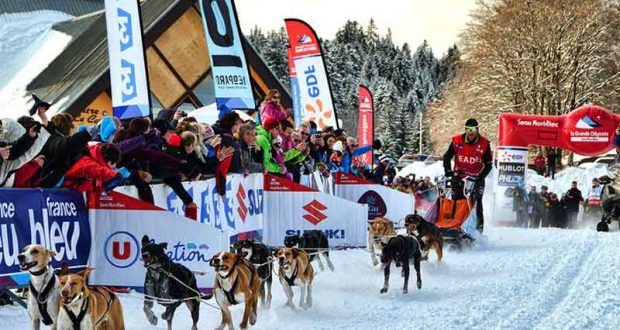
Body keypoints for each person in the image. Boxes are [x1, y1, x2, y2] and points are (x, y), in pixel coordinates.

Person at [442, 118, 492, 232]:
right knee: (457, 201)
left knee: (476, 203)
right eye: (468, 129)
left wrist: (480, 177)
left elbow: (488, 164)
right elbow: (447, 157)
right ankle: (455, 226)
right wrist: (448, 171)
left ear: (477, 130)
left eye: (473, 129)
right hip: (459, 177)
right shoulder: (457, 141)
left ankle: (478, 230)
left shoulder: (484, 144)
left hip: (476, 178)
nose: (470, 132)